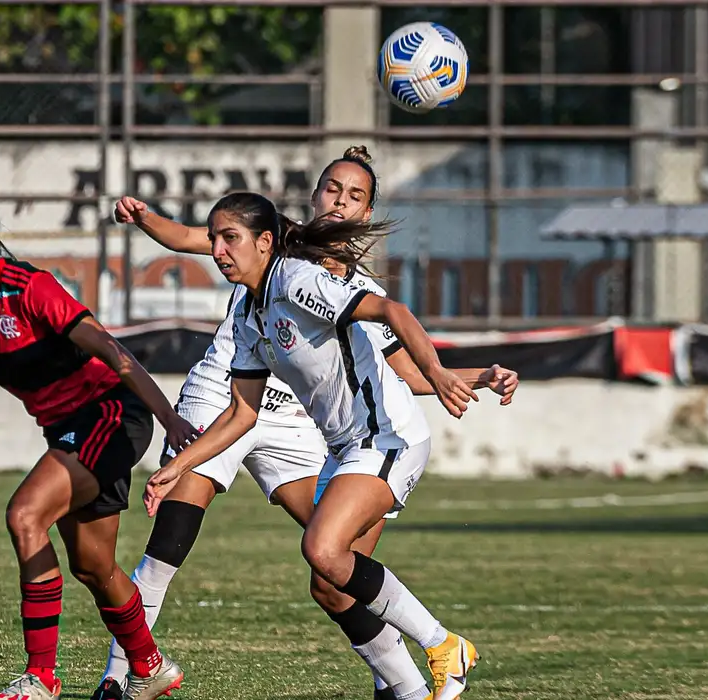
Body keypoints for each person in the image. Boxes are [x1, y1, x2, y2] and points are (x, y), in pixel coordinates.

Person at [92, 148, 517, 700]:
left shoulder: (323, 283)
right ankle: (123, 676)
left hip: (344, 431)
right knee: (299, 570)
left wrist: (465, 375)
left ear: (366, 213)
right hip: (271, 418)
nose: (340, 201)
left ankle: (428, 657)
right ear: (313, 197)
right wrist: (179, 464)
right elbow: (239, 407)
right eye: (332, 189)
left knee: (330, 559)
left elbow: (404, 359)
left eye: (355, 195)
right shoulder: (263, 270)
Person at [0, 162, 199, 700]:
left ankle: (40, 679)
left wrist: (170, 418)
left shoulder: (30, 288)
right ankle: (150, 668)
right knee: (93, 565)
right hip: (69, 431)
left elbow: (112, 349)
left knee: (24, 514)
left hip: (112, 413)